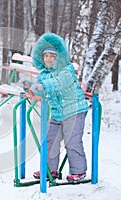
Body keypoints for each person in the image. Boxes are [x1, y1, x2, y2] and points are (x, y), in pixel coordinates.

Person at [28, 33, 89, 182]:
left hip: (74, 111)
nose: (48, 59)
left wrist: (43, 86)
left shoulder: (66, 70)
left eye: (52, 55)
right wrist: (33, 88)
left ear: (59, 56)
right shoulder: (43, 75)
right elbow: (42, 89)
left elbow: (59, 84)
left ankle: (79, 171)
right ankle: (50, 170)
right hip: (57, 113)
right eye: (46, 56)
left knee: (72, 141)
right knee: (50, 141)